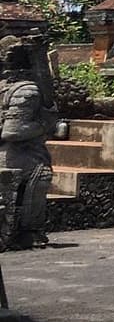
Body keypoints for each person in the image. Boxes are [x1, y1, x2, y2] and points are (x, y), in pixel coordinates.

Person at [0, 37, 59, 249]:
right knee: (41, 173)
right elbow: (13, 132)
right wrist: (46, 124)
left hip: (11, 153)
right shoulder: (26, 90)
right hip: (19, 155)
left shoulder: (8, 88)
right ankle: (29, 230)